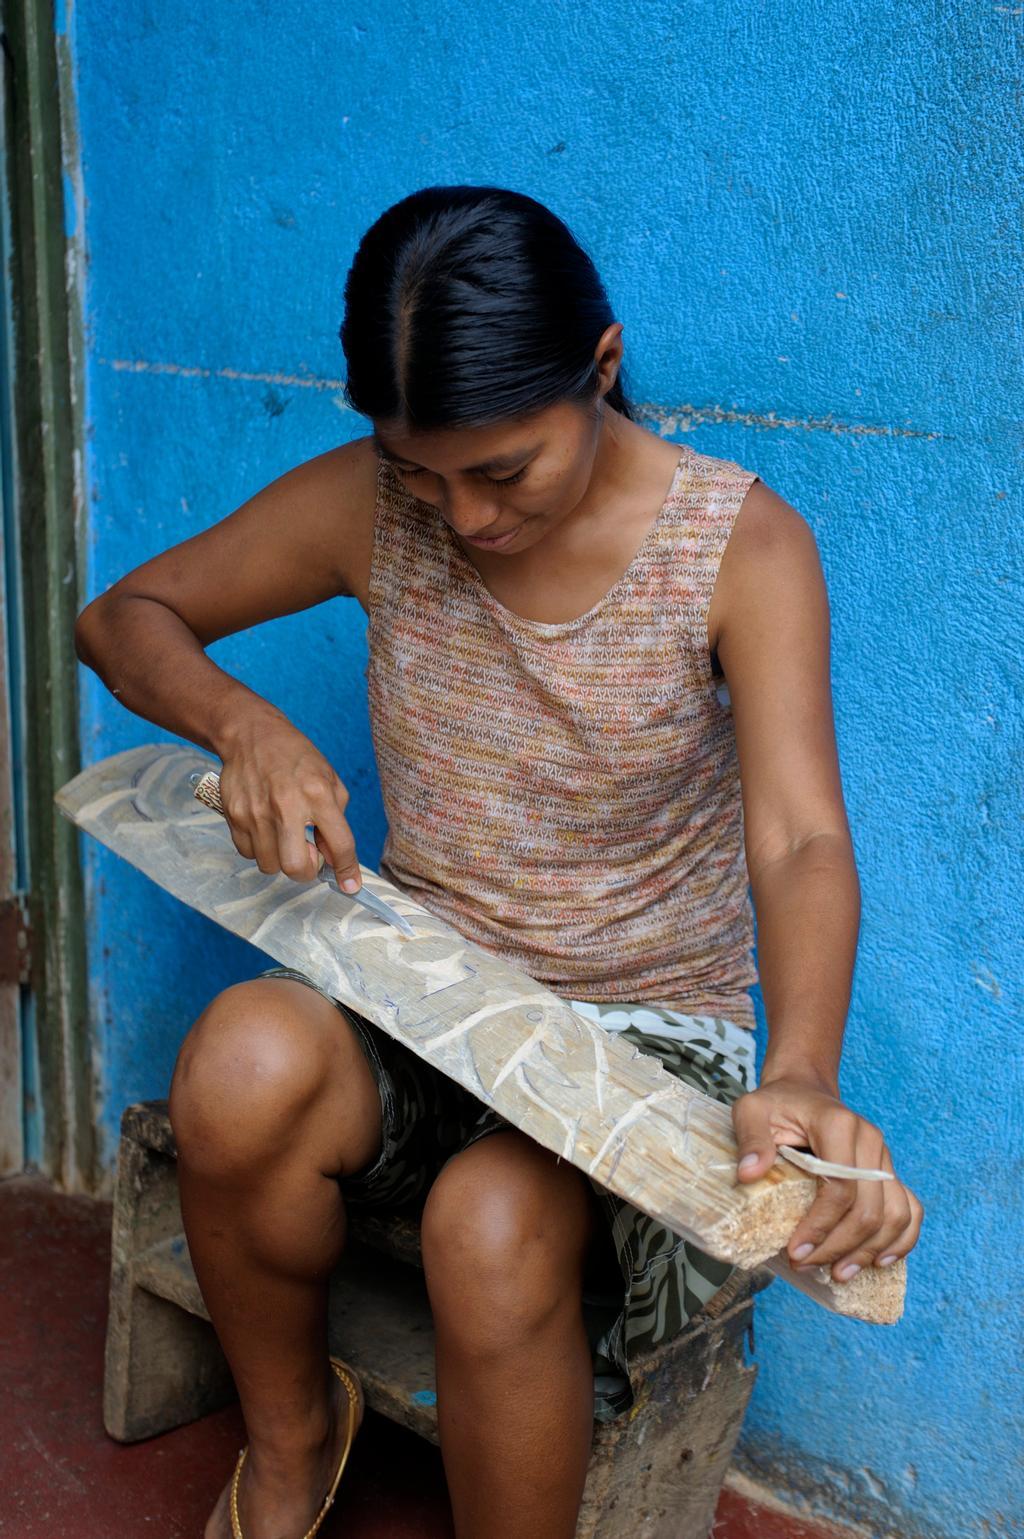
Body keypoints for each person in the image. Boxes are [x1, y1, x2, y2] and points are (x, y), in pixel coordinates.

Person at [75, 185, 923, 1539]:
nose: (460, 519)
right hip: (427, 995)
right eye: (423, 474)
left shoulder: (736, 548)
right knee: (238, 1062)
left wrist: (802, 1071)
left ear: (599, 369)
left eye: (503, 471)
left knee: (489, 1222)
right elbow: (125, 618)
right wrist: (241, 724)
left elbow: (803, 836)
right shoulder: (373, 507)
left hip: (638, 1049)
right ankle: (294, 1445)